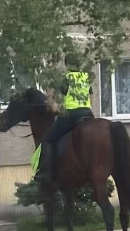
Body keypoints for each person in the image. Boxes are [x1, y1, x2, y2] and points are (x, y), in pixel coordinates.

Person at [34, 53, 94, 185]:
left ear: (67, 64)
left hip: (71, 115)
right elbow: (91, 98)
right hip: (88, 114)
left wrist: (54, 107)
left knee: (48, 139)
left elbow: (52, 101)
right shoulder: (85, 78)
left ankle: (46, 173)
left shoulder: (65, 79)